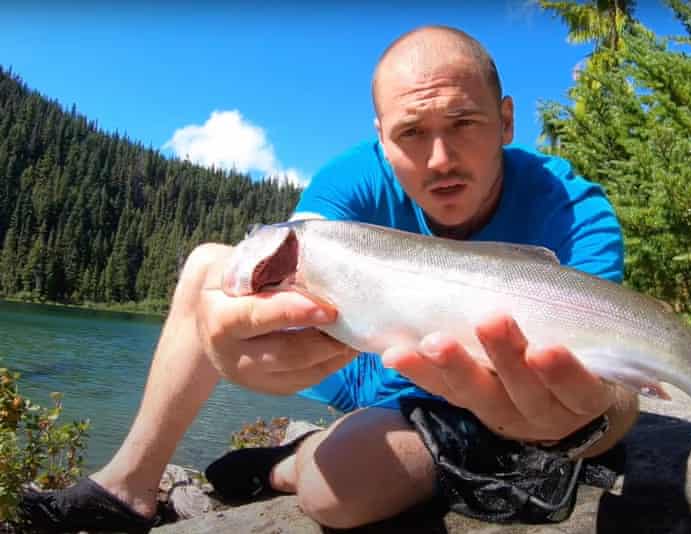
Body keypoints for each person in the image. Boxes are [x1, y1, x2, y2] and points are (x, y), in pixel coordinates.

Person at [20, 25, 639, 532]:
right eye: (412, 135)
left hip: (476, 399)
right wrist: (242, 336)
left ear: (505, 121)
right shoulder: (351, 179)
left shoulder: (574, 209)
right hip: (359, 355)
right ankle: (127, 486)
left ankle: (288, 462)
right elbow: (295, 248)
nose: (440, 159)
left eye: (464, 124)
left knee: (335, 494)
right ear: (381, 138)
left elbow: (617, 384)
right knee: (212, 263)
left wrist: (594, 421)